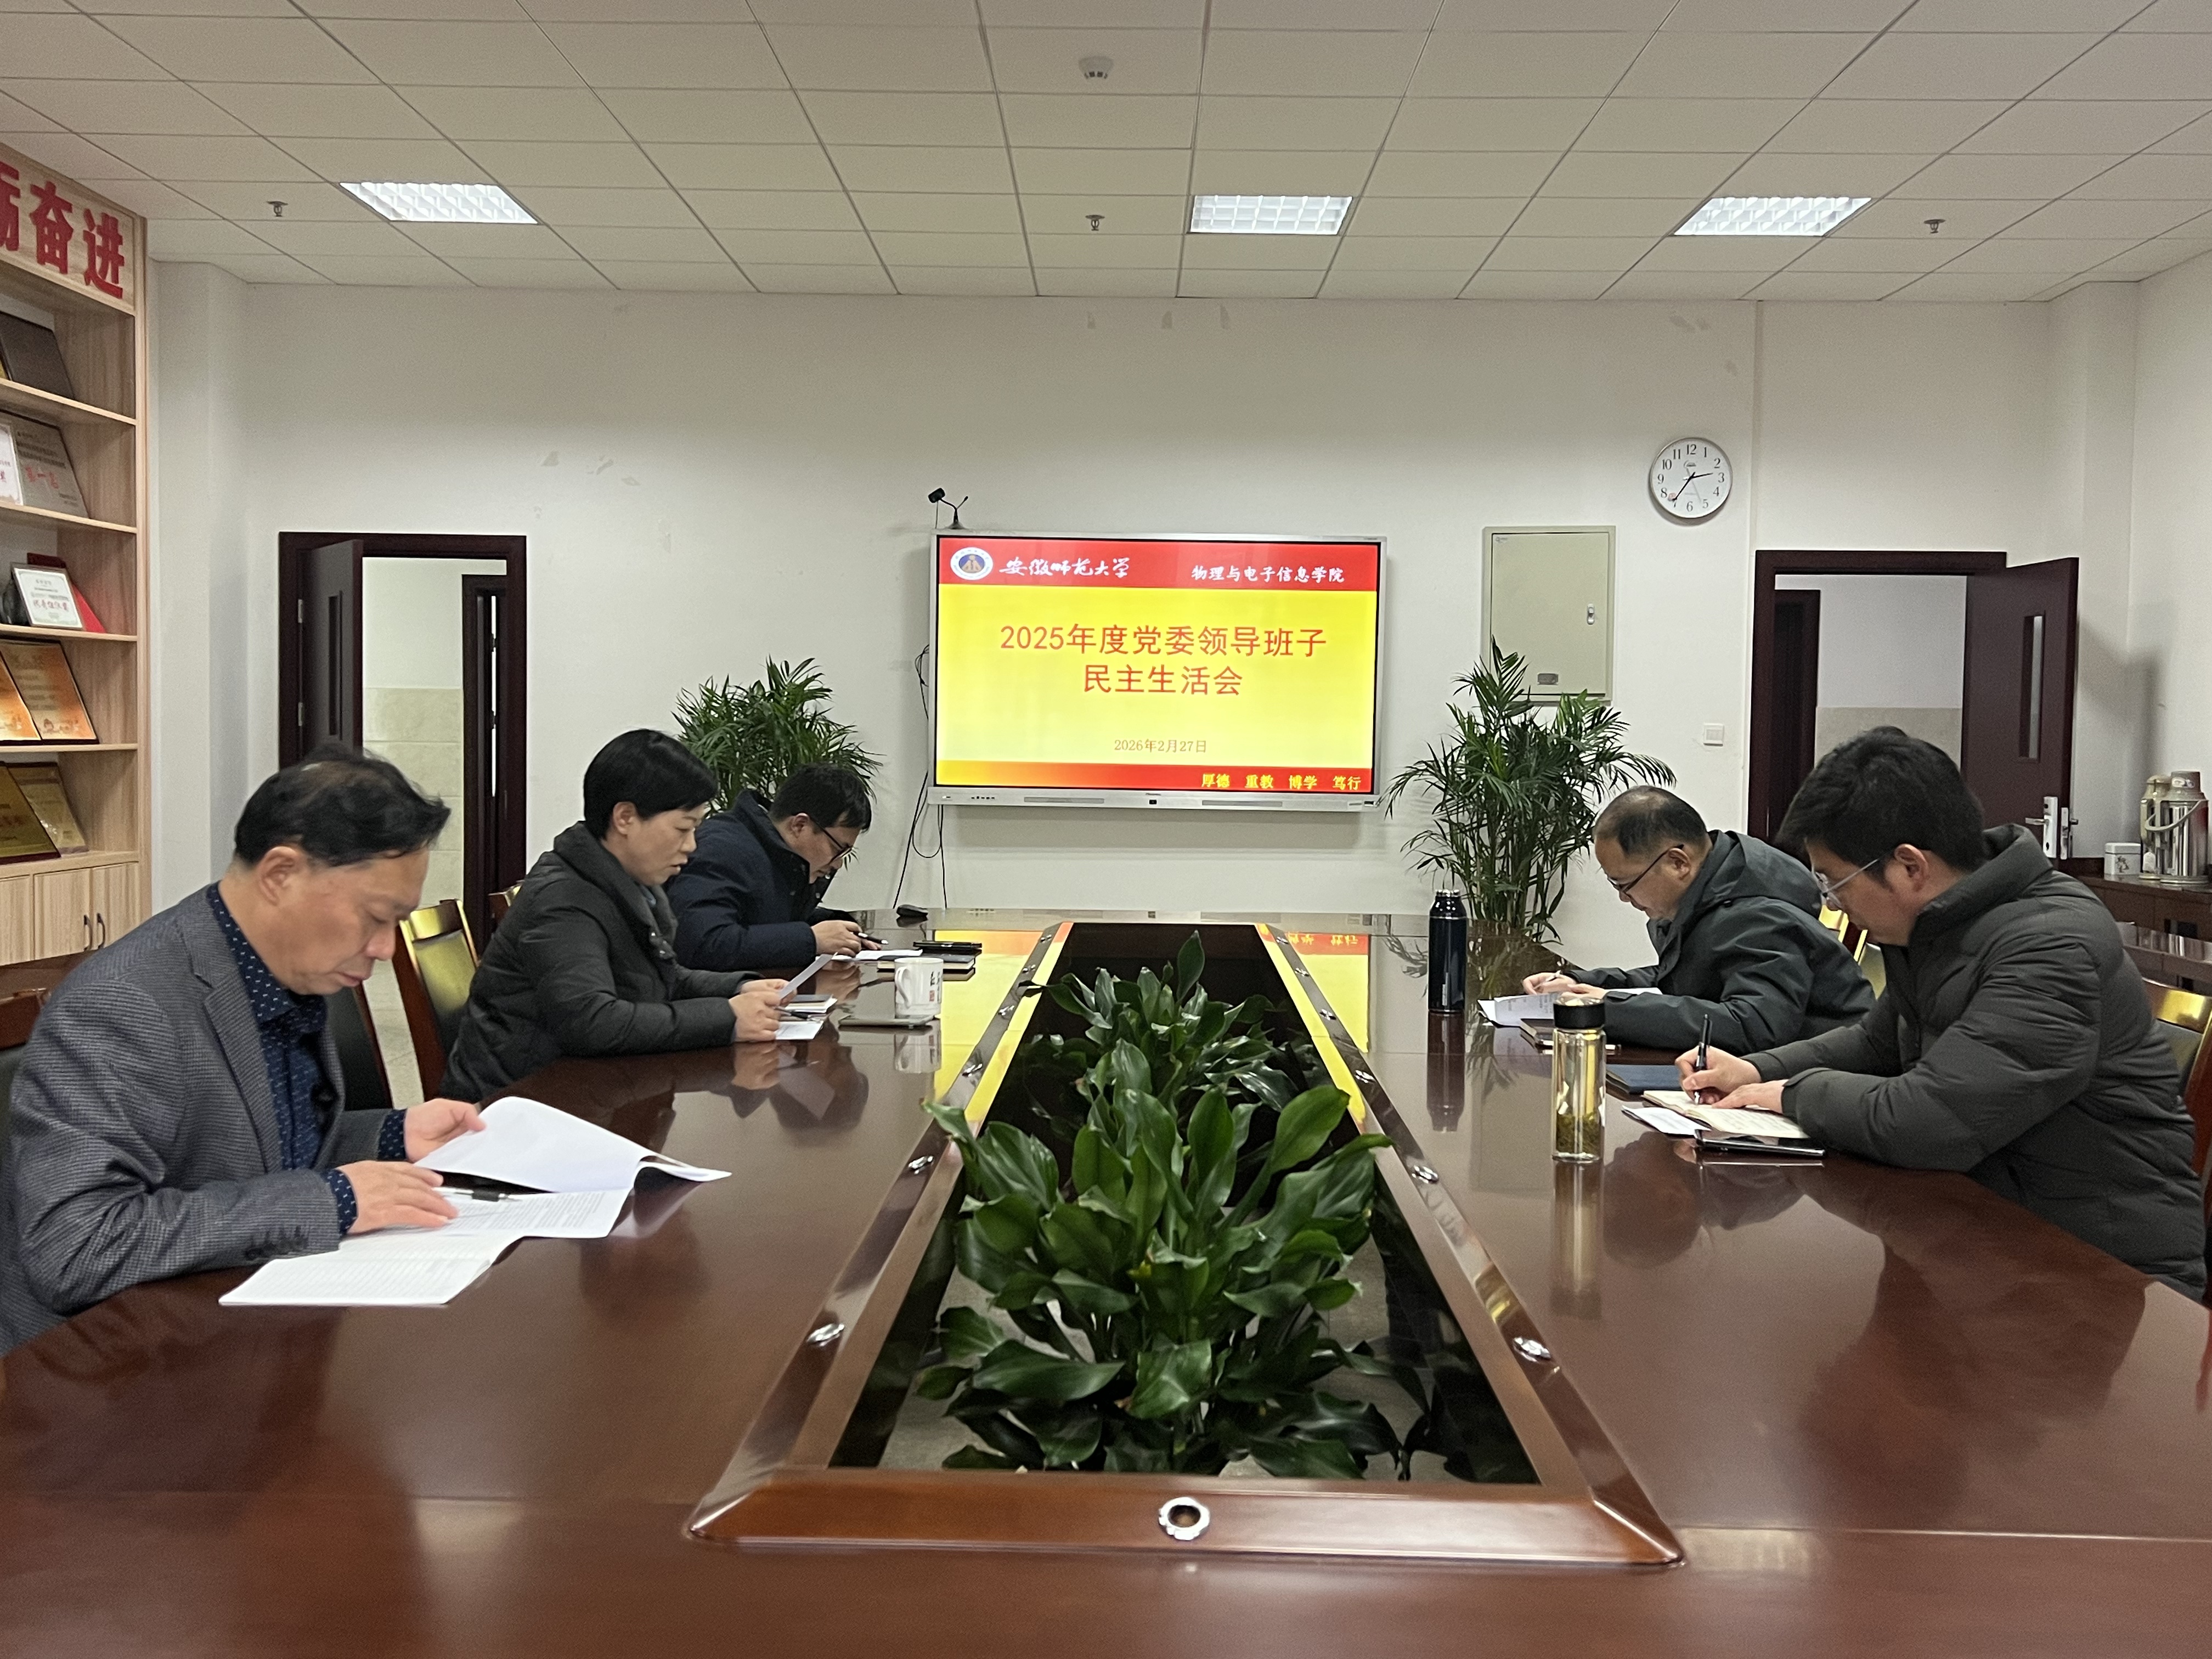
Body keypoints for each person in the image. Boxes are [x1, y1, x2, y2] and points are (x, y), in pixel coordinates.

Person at [1682, 727, 2207, 1297]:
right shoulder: (1945, 923)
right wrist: (1755, 1070)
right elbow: (1876, 1043)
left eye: (1835, 884)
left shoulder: (2050, 946)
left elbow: (1928, 1122)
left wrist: (1790, 1094)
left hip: (2100, 1270)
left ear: (1910, 867)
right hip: (1985, 1226)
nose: (1833, 904)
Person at [0, 747, 487, 1352]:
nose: (387, 949)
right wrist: (332, 1200)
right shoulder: (125, 1004)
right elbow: (75, 1246)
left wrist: (392, 1135)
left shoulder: (281, 972)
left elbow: (257, 1150)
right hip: (110, 1362)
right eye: (374, 917)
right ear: (281, 875)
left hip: (236, 1322)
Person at [442, 730, 787, 1102]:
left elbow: (661, 978)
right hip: (518, 1104)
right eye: (683, 829)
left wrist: (739, 988)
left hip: (585, 1085)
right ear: (625, 818)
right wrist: (727, 1017)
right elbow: (592, 1021)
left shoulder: (628, 878)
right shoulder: (564, 899)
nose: (691, 846)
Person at [1522, 787, 1872, 1053]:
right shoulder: (1713, 886)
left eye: (1626, 884)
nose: (1624, 898)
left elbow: (1754, 1026)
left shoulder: (1760, 915)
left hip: (1825, 1075)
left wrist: (1605, 1009)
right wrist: (1582, 984)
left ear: (1678, 863)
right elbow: (1682, 979)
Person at [669, 763, 873, 972]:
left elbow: (764, 917)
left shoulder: (784, 856)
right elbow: (703, 943)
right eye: (837, 848)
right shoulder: (721, 850)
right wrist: (811, 939)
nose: (838, 863)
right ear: (799, 825)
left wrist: (834, 924)